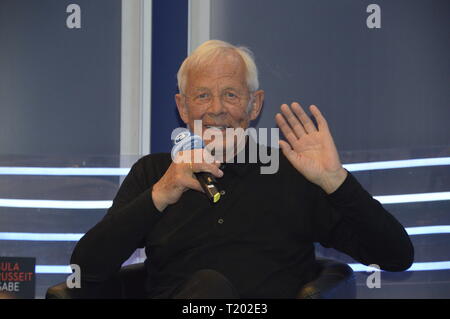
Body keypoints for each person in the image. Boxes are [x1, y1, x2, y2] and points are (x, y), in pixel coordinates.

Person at [70, 40, 414, 299]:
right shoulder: (155, 173)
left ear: (255, 104)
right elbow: (84, 271)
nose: (217, 109)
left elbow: (396, 256)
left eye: (231, 95)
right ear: (183, 107)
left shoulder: (294, 173)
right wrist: (160, 195)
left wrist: (335, 181)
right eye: (202, 96)